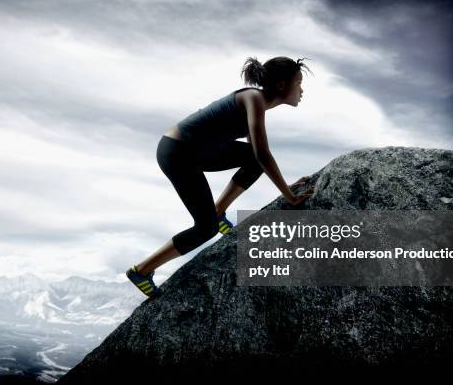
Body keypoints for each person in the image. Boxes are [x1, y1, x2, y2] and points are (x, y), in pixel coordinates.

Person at [126, 56, 315, 297]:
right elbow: (263, 153)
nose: (301, 89)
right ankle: (141, 270)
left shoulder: (256, 102)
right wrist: (289, 196)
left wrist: (285, 187)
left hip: (196, 151)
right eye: (298, 83)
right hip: (177, 151)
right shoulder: (254, 98)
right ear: (281, 85)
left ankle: (218, 210)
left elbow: (256, 156)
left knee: (251, 161)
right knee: (206, 229)